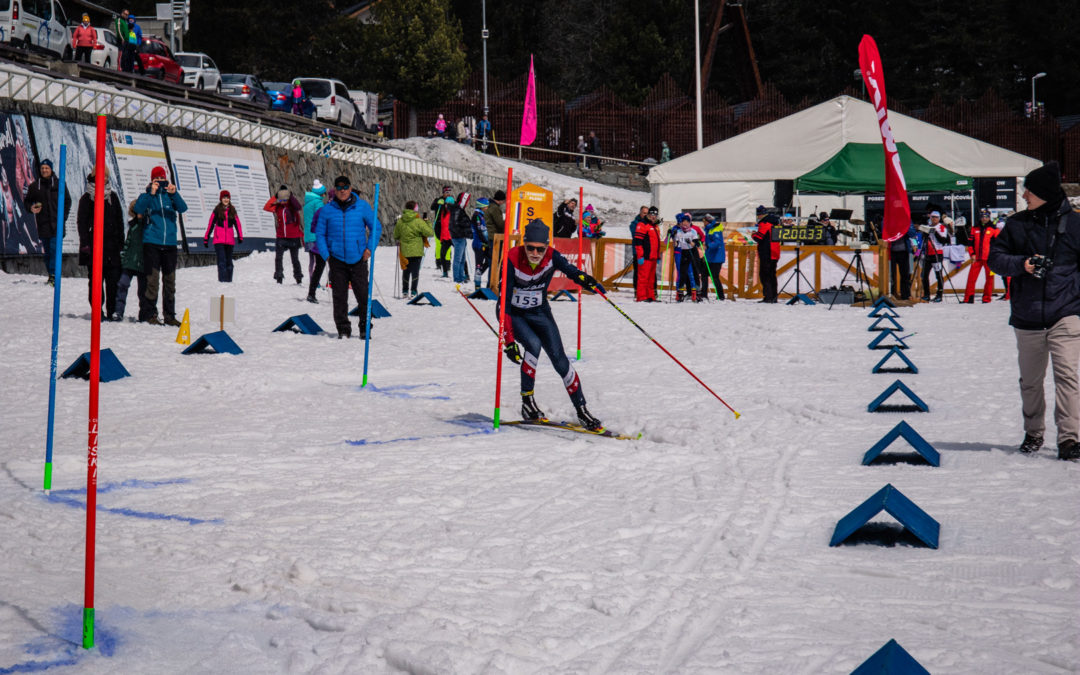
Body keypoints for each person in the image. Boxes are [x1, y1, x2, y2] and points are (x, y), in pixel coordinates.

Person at [988, 162, 1080, 461]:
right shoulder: (1016, 224)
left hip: (1066, 312)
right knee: (1030, 380)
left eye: (1029, 189)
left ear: (1045, 193)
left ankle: (1070, 439)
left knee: (1067, 376)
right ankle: (1034, 432)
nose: (1024, 194)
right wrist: (1022, 265)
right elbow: (995, 259)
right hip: (1027, 315)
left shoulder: (1076, 225)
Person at [499, 219, 606, 430]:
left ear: (547, 246)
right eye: (530, 248)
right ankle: (528, 403)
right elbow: (502, 305)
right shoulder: (511, 258)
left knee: (560, 359)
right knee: (533, 345)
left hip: (540, 312)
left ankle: (582, 410)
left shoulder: (551, 257)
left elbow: (571, 271)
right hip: (516, 314)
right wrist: (509, 341)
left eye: (540, 248)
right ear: (524, 243)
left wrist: (587, 280)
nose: (535, 253)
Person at [316, 176, 381, 339]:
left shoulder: (362, 207)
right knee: (339, 297)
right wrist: (326, 255)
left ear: (350, 189)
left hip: (358, 258)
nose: (342, 190)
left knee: (363, 295)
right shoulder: (327, 210)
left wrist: (369, 249)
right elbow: (319, 234)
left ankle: (365, 327)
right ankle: (343, 329)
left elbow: (376, 227)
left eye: (345, 187)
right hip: (336, 259)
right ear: (335, 190)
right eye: (339, 188)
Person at [135, 165, 187, 325]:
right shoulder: (147, 196)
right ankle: (150, 313)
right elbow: (138, 209)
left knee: (170, 281)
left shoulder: (170, 196)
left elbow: (183, 208)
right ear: (152, 180)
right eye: (157, 179)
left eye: (162, 179)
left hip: (170, 243)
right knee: (152, 280)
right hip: (152, 242)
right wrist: (151, 192)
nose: (160, 182)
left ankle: (169, 315)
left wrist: (174, 193)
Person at [76, 169, 124, 319]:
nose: (103, 179)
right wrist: (85, 243)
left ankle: (112, 311)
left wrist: (121, 243)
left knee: (113, 281)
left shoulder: (112, 197)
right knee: (96, 282)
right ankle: (97, 310)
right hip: (93, 247)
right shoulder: (87, 198)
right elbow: (82, 223)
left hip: (112, 248)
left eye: (106, 176)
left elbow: (119, 221)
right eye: (100, 176)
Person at [23, 158, 70, 285]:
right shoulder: (35, 186)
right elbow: (27, 202)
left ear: (51, 169)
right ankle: (51, 274)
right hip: (43, 224)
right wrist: (31, 208)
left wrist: (63, 218)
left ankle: (54, 275)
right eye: (42, 168)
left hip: (57, 225)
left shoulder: (59, 184)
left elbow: (67, 201)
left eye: (47, 168)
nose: (44, 170)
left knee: (55, 249)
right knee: (48, 252)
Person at [264, 185, 304, 284]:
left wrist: (290, 196)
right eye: (281, 200)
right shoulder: (278, 207)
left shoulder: (292, 206)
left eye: (284, 200)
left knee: (295, 259)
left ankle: (298, 277)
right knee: (278, 258)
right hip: (281, 236)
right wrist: (276, 195)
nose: (283, 202)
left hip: (293, 237)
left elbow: (298, 206)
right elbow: (267, 207)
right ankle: (279, 276)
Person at [393, 200, 434, 298]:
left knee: (406, 271)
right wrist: (427, 221)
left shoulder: (400, 221)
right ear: (415, 209)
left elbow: (396, 235)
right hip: (416, 251)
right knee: (415, 272)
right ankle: (414, 291)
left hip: (405, 250)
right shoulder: (418, 221)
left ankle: (405, 291)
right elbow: (430, 233)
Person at [114, 199, 145, 322]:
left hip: (142, 262)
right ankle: (118, 311)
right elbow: (128, 243)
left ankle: (144, 313)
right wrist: (124, 257)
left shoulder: (146, 227)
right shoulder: (132, 227)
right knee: (122, 285)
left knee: (143, 290)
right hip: (130, 261)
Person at [203, 190, 243, 282]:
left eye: (227, 198)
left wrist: (240, 236)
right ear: (221, 199)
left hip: (229, 241)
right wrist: (206, 238)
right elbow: (210, 224)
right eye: (224, 198)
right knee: (222, 262)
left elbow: (237, 224)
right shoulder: (217, 210)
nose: (226, 199)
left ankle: (229, 281)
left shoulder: (232, 210)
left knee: (229, 262)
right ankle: (222, 282)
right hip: (219, 241)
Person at [964, 208, 997, 303]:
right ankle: (968, 298)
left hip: (989, 259)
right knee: (971, 278)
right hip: (977, 258)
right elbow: (970, 243)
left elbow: (997, 245)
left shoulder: (994, 229)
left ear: (989, 218)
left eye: (986, 217)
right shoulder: (975, 228)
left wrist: (994, 256)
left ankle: (987, 298)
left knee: (990, 279)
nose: (984, 218)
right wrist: (972, 254)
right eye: (983, 217)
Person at [303, 179, 328, 302]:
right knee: (320, 263)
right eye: (324, 193)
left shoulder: (307, 203)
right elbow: (321, 219)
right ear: (321, 194)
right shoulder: (318, 203)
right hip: (315, 236)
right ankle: (313, 287)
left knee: (313, 261)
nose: (325, 196)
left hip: (308, 236)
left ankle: (313, 285)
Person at [752, 205, 780, 303]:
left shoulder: (765, 223)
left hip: (766, 252)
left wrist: (753, 234)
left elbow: (758, 237)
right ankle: (774, 296)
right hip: (775, 251)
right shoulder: (776, 222)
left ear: (760, 215)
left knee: (765, 275)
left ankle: (768, 297)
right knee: (772, 275)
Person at [671, 214, 702, 302]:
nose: (684, 226)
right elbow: (676, 245)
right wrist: (673, 237)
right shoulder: (679, 232)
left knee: (695, 272)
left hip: (693, 252)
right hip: (684, 252)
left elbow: (696, 244)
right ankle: (680, 293)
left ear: (689, 223)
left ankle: (697, 293)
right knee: (682, 272)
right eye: (683, 224)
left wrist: (690, 242)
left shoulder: (693, 232)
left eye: (686, 224)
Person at [633, 206, 661, 302]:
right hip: (645, 257)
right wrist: (640, 256)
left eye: (655, 215)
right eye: (651, 214)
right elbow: (638, 242)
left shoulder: (655, 226)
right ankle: (641, 297)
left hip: (653, 256)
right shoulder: (642, 225)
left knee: (651, 279)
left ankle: (650, 296)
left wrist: (658, 256)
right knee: (643, 278)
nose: (653, 217)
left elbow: (657, 242)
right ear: (648, 214)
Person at [918, 210, 948, 302]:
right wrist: (925, 232)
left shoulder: (941, 227)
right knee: (924, 275)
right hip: (928, 254)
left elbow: (943, 241)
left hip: (937, 254)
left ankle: (939, 295)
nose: (934, 219)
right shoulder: (928, 226)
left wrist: (934, 232)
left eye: (936, 217)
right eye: (932, 217)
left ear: (939, 218)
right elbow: (923, 239)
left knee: (938, 275)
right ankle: (926, 294)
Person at [888, 222, 917, 300]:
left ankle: (906, 295)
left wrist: (903, 227)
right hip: (891, 251)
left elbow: (913, 234)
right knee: (890, 275)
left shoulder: (906, 219)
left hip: (904, 251)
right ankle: (891, 294)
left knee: (906, 274)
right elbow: (884, 230)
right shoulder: (889, 218)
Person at [431, 188, 454, 277]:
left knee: (447, 245)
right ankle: (438, 262)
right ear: (443, 193)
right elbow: (432, 207)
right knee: (438, 245)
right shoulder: (438, 200)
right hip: (438, 226)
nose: (448, 194)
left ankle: (447, 263)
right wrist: (437, 203)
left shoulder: (451, 201)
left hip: (448, 227)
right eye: (446, 192)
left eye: (449, 192)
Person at [450, 192, 473, 284]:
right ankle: (457, 278)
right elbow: (455, 225)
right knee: (458, 259)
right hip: (458, 237)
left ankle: (461, 276)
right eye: (466, 201)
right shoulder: (457, 210)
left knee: (462, 259)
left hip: (461, 237)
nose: (467, 203)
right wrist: (465, 232)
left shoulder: (458, 209)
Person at [702, 214, 726, 300]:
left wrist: (708, 246)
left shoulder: (715, 229)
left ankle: (720, 296)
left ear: (708, 222)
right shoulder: (709, 229)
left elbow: (717, 243)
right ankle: (704, 295)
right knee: (704, 275)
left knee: (714, 277)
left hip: (716, 257)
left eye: (704, 221)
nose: (703, 223)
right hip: (709, 256)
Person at [471, 197, 491, 291]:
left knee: (489, 261)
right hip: (478, 244)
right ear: (482, 206)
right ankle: (477, 285)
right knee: (478, 265)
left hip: (485, 244)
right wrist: (485, 241)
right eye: (486, 206)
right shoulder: (477, 215)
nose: (487, 208)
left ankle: (478, 277)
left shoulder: (483, 215)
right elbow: (479, 231)